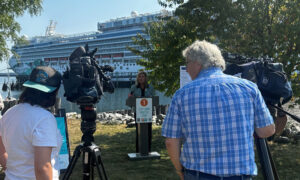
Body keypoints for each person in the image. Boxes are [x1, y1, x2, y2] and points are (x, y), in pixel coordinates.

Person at [162, 40, 275, 180]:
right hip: (240, 176)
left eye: (187, 63)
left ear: (197, 63)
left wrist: (180, 170)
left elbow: (171, 141)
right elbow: (267, 131)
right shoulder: (249, 88)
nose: (186, 68)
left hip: (198, 175)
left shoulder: (182, 94)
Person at [0, 66, 62, 180]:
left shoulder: (9, 112)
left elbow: (1, 149)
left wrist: (10, 170)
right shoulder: (44, 118)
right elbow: (42, 168)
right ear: (54, 92)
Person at [129, 71, 155, 153]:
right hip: (138, 112)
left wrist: (147, 97)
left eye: (143, 76)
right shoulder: (134, 87)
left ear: (146, 78)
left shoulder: (150, 87)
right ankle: (138, 150)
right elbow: (130, 99)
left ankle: (148, 150)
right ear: (137, 78)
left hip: (148, 111)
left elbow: (154, 98)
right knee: (138, 131)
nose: (141, 78)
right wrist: (134, 98)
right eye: (139, 76)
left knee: (149, 130)